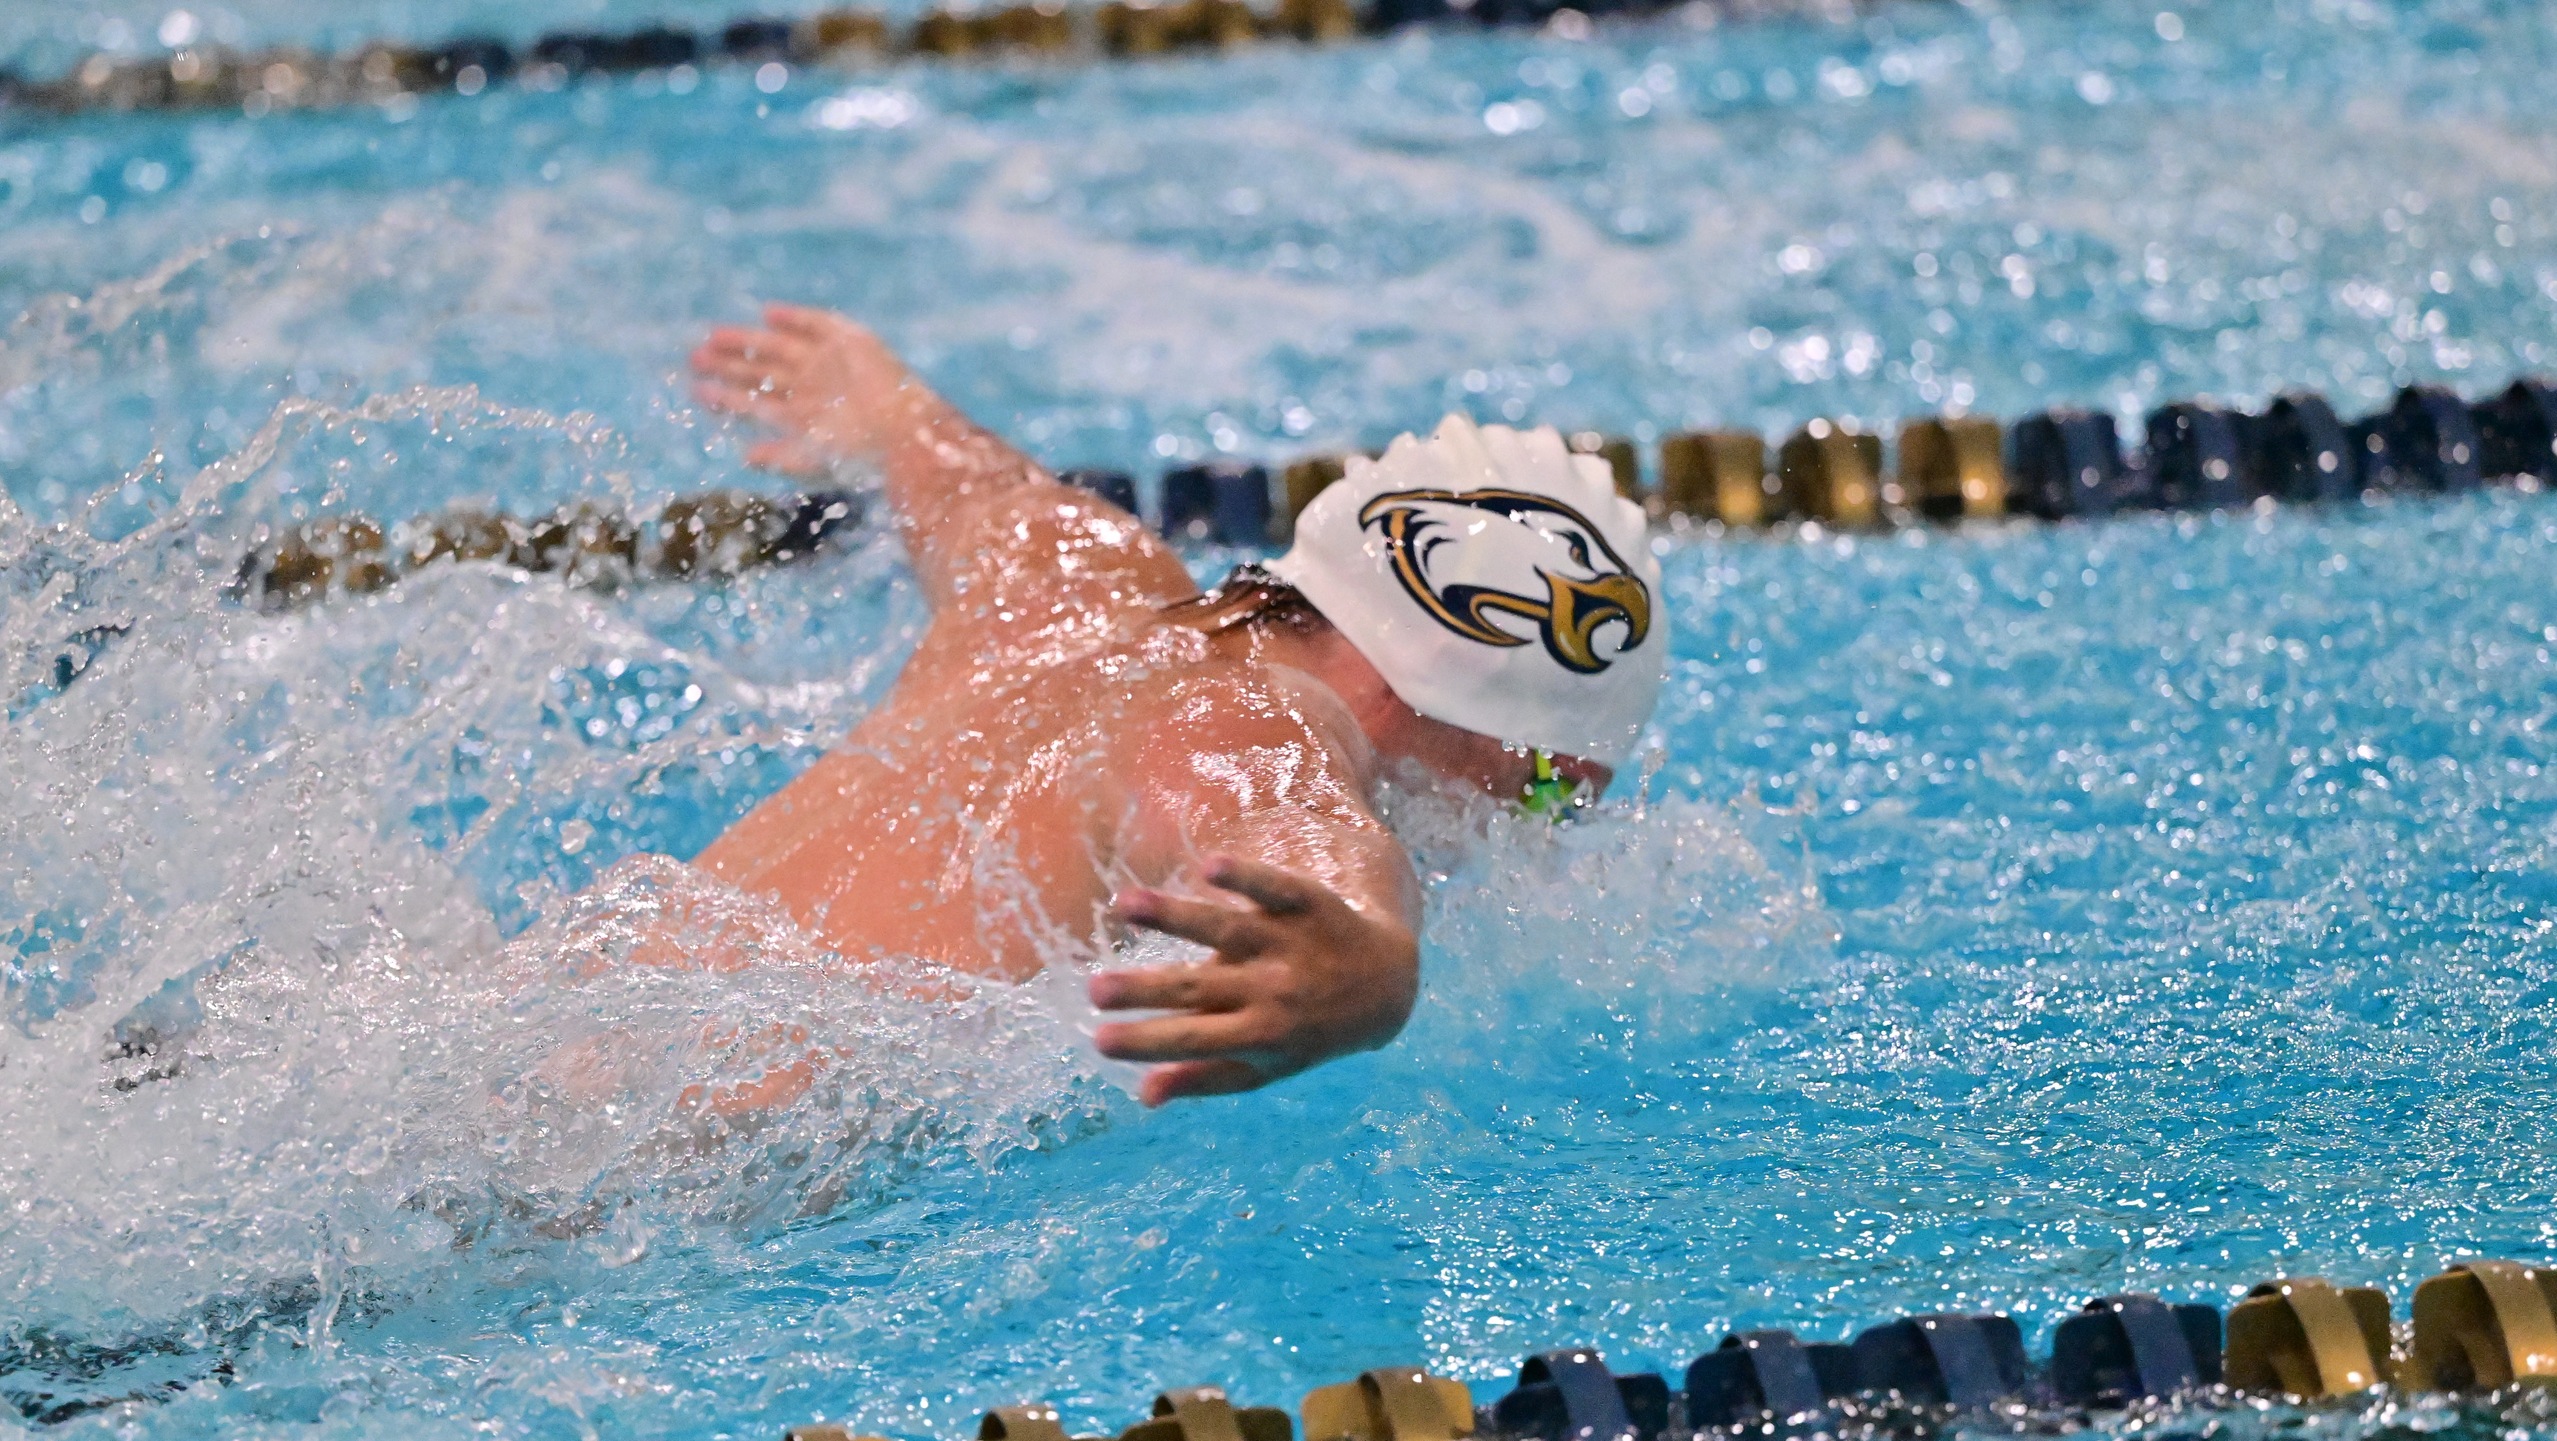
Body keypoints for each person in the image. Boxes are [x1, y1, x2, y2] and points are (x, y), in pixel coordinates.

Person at [683, 304, 1667, 1106]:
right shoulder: (1253, 722)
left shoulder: (1072, 577)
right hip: (632, 1201)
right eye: (1547, 789)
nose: (1532, 835)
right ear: (1444, 694)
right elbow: (1292, 815)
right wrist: (1368, 961)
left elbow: (975, 486)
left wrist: (886, 406)